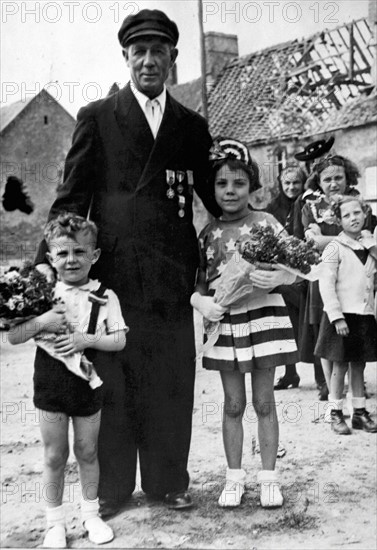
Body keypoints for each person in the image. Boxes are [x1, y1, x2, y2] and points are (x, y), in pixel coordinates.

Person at [35, 9, 220, 514]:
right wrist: (42, 269)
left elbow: (219, 196)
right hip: (111, 277)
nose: (148, 61)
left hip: (171, 276)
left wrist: (257, 233)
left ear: (172, 58)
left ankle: (168, 481)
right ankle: (113, 489)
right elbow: (71, 198)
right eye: (139, 51)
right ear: (126, 57)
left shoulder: (191, 125)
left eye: (158, 50)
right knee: (112, 382)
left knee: (171, 380)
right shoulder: (98, 116)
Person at [191, 138, 298, 508]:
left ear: (251, 184)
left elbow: (299, 266)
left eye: (239, 182)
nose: (231, 191)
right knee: (233, 404)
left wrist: (282, 278)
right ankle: (234, 478)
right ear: (212, 188)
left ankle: (269, 478)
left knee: (265, 401)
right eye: (222, 184)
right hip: (228, 325)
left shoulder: (267, 222)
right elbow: (200, 282)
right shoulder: (206, 234)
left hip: (264, 318)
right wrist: (201, 302)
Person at [9, 214, 128, 548]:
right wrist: (42, 320)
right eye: (62, 253)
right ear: (49, 258)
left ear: (95, 255)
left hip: (88, 381)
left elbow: (118, 341)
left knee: (88, 451)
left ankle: (91, 515)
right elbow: (15, 336)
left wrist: (86, 340)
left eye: (79, 251)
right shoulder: (39, 293)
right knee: (54, 455)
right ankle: (54, 524)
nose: (71, 260)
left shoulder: (106, 295)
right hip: (50, 381)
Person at [298, 155, 361, 405]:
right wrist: (349, 239)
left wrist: (328, 239)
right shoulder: (311, 207)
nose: (334, 183)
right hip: (323, 275)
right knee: (326, 331)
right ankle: (330, 386)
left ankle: (354, 386)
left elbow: (365, 236)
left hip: (353, 275)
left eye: (338, 177)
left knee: (355, 326)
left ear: (347, 178)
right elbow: (312, 242)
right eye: (327, 179)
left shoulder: (357, 203)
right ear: (318, 182)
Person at [315, 196, 377, 434]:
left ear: (365, 215)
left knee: (359, 366)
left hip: (363, 315)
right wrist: (336, 316)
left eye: (357, 213)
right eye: (347, 215)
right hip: (341, 316)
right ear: (339, 221)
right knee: (339, 366)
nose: (354, 219)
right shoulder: (334, 247)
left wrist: (370, 243)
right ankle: (335, 413)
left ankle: (359, 413)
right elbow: (325, 283)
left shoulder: (368, 247)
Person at [265, 164, 307, 390]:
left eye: (296, 183)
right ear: (281, 185)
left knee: (310, 319)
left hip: (305, 272)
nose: (291, 187)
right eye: (287, 183)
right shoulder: (273, 209)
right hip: (281, 271)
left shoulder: (309, 204)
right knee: (285, 322)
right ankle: (290, 373)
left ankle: (325, 378)